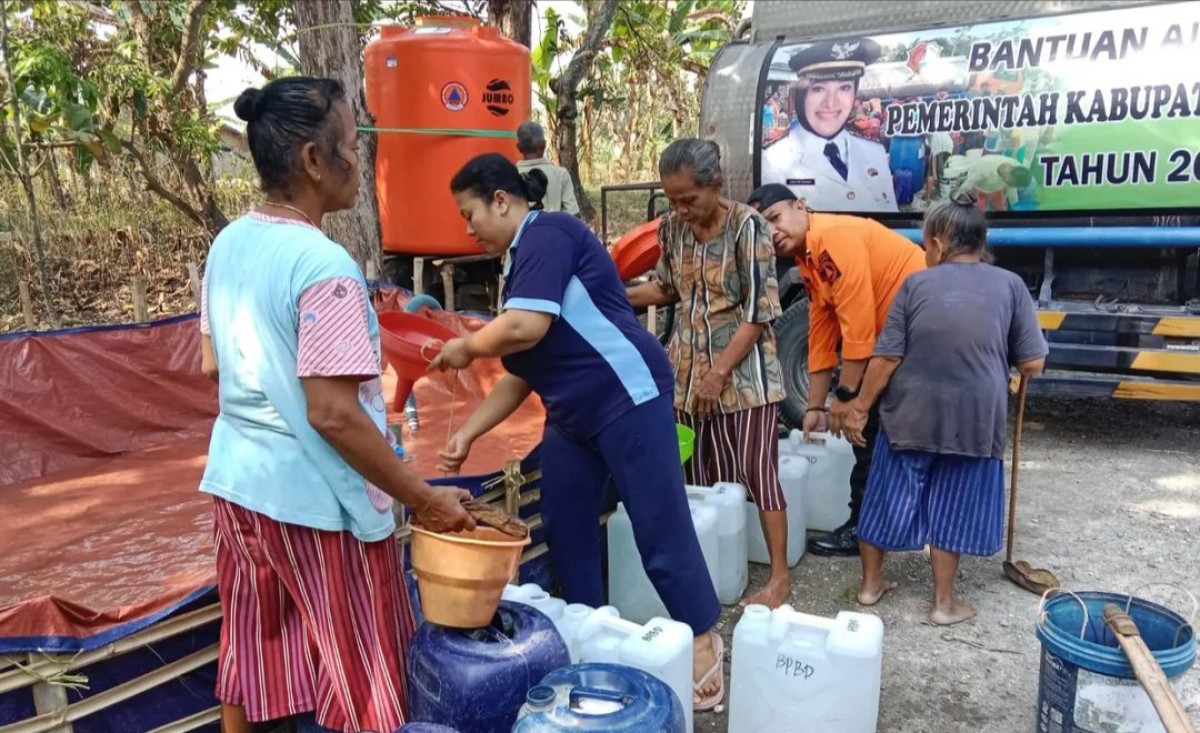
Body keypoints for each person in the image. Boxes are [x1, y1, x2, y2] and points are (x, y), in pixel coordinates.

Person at [198, 76, 475, 733]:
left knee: (255, 657)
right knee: (358, 674)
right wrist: (428, 497)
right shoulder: (325, 268)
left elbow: (215, 365)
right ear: (314, 161)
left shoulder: (228, 244)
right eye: (354, 143)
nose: (364, 158)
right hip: (319, 508)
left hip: (238, 490)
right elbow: (333, 413)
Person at [428, 153, 726, 710]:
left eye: (471, 214)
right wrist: (466, 434)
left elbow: (526, 326)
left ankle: (705, 636)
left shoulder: (550, 233)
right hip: (572, 416)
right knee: (565, 525)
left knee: (658, 524)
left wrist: (465, 347)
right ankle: (593, 632)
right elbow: (520, 371)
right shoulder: (515, 269)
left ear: (501, 199)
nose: (468, 229)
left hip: (626, 397)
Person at [843, 195, 1048, 624]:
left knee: (883, 496)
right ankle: (942, 604)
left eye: (924, 245)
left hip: (910, 414)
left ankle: (869, 586)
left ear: (938, 242)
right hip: (974, 419)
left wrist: (860, 407)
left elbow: (887, 357)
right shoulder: (1010, 284)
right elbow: (1032, 363)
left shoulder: (916, 284)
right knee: (953, 506)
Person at [628, 139, 792, 609]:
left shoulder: (750, 228)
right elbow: (665, 288)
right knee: (700, 476)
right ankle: (714, 570)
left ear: (715, 186)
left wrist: (719, 372)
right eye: (671, 199)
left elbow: (760, 311)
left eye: (688, 198)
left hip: (746, 378)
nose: (679, 209)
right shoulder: (673, 230)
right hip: (687, 372)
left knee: (759, 472)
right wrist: (610, 292)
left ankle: (779, 579)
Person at [746, 183, 925, 558]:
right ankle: (873, 525)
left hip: (919, 331)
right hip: (897, 335)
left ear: (801, 205)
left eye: (776, 218)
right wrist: (814, 407)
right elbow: (823, 333)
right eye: (764, 228)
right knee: (873, 431)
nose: (773, 232)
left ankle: (865, 529)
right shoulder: (810, 259)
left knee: (870, 426)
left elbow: (858, 326)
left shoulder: (833, 238)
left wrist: (846, 398)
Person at [761, 37, 898, 212]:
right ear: (801, 95)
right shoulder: (772, 161)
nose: (831, 103)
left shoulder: (874, 151)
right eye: (818, 89)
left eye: (844, 88)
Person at [515, 120, 581, 217]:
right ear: (544, 144)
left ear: (519, 147)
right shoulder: (561, 174)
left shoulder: (510, 175)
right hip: (554, 231)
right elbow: (573, 215)